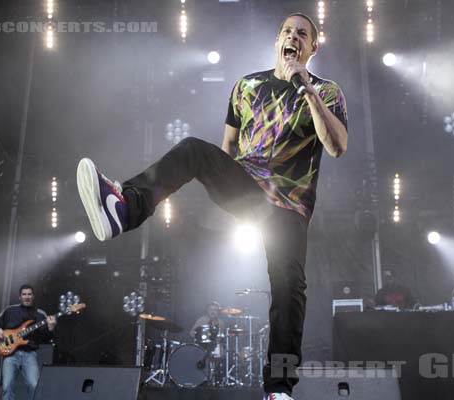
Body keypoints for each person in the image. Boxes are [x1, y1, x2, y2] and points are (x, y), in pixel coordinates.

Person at [76, 12, 347, 400]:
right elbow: (228, 150)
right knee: (191, 149)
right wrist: (227, 189)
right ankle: (125, 209)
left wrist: (306, 88)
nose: (294, 37)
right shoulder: (246, 86)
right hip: (249, 189)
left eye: (302, 34)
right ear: (277, 41)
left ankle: (279, 391)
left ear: (312, 47)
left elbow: (336, 147)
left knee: (290, 287)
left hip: (289, 207)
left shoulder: (328, 91)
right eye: (287, 31)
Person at [0, 284, 57, 400]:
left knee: (34, 385)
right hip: (10, 355)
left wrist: (51, 327)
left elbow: (47, 337)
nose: (27, 297)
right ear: (20, 297)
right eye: (24, 294)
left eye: (29, 294)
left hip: (29, 354)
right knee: (7, 387)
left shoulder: (40, 314)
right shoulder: (10, 310)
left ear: (33, 296)